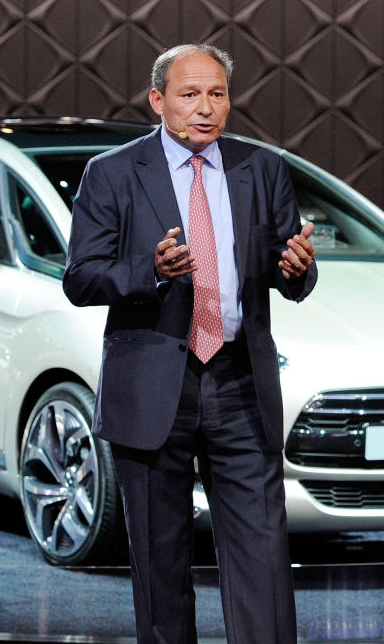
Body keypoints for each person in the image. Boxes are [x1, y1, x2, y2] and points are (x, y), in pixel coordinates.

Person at [63, 43, 317, 644]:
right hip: (153, 386)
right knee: (160, 563)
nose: (206, 108)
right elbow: (79, 278)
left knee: (262, 558)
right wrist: (148, 271)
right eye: (190, 94)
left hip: (239, 384)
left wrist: (299, 268)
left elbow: (292, 276)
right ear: (158, 101)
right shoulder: (113, 172)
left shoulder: (263, 168)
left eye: (218, 94)